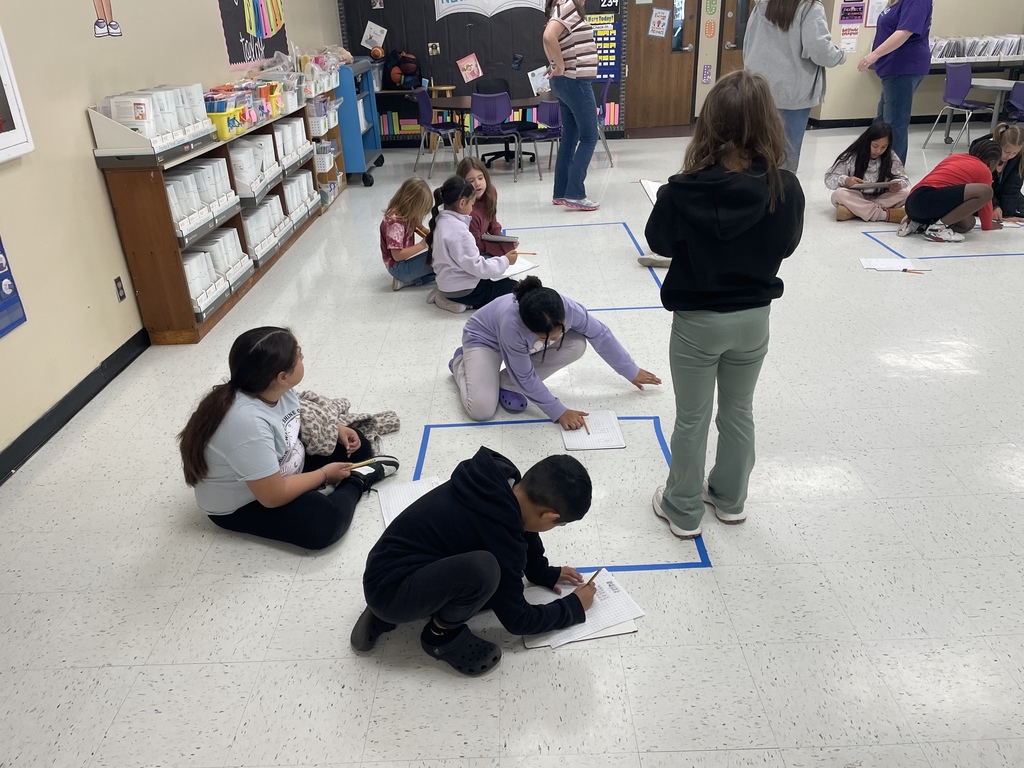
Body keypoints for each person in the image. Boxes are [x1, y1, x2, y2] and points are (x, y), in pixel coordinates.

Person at [644, 69, 805, 539]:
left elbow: (659, 241)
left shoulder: (683, 189)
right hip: (754, 319)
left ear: (710, 123)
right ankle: (731, 499)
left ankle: (683, 509)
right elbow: (789, 245)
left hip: (698, 322)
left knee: (692, 417)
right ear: (769, 123)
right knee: (739, 410)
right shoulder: (785, 186)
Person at [350, 448, 595, 675]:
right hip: (390, 593)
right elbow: (519, 620)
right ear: (548, 515)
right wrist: (573, 607)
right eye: (558, 524)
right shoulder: (502, 541)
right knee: (486, 573)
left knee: (492, 582)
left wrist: (542, 572)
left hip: (384, 565)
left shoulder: (500, 482)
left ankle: (392, 608)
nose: (554, 528)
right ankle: (440, 636)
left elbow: (522, 527)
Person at [177, 326, 400, 550]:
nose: (302, 356)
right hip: (248, 502)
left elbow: (292, 420)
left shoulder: (270, 389)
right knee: (323, 524)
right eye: (298, 353)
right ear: (282, 377)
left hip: (284, 467)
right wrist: (324, 475)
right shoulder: (245, 424)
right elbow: (272, 496)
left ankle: (344, 478)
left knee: (357, 445)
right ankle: (357, 481)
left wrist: (338, 428)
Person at [448, 276, 662, 424]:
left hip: (523, 344)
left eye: (560, 331)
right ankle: (461, 362)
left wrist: (630, 370)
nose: (556, 340)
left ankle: (506, 383)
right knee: (481, 410)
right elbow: (525, 375)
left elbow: (600, 334)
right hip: (484, 340)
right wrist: (558, 412)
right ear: (529, 328)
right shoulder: (512, 326)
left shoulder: (568, 308)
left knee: (576, 344)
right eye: (545, 338)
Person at [743, 0, 846, 172]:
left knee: (755, 149)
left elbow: (748, 44)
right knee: (786, 156)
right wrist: (840, 55)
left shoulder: (762, 5)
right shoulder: (809, 8)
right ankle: (782, 197)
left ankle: (755, 194)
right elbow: (820, 50)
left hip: (757, 90)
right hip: (793, 94)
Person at [426, 175, 518, 313]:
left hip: (447, 284)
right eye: (472, 203)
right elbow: (478, 267)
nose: (472, 208)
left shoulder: (440, 220)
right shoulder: (459, 232)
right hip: (464, 291)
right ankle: (457, 302)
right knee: (514, 287)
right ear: (462, 203)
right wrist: (505, 261)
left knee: (498, 281)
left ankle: (445, 296)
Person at [857, 0, 933, 166]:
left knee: (894, 123)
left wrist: (873, 55)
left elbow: (904, 32)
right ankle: (876, 163)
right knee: (882, 120)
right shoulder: (895, 3)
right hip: (892, 68)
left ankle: (893, 170)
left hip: (904, 66)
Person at [542, 0, 601, 211]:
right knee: (589, 136)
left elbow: (548, 38)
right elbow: (548, 36)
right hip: (575, 81)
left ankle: (561, 192)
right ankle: (575, 193)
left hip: (566, 81)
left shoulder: (560, 6)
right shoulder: (568, 5)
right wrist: (560, 65)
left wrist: (555, 65)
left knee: (571, 136)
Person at [899, 140, 1001, 243]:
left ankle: (919, 224)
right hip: (927, 198)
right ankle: (938, 229)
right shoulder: (984, 170)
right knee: (986, 191)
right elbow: (986, 202)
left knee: (968, 224)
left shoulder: (956, 157)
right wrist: (988, 225)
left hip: (912, 202)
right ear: (992, 162)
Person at [824, 121, 910, 222]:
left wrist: (898, 184)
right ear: (867, 141)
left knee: (905, 193)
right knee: (839, 194)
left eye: (883, 147)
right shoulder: (852, 155)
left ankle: (854, 211)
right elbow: (829, 179)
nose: (878, 151)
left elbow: (904, 179)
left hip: (880, 196)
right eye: (875, 146)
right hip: (856, 196)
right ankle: (884, 215)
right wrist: (846, 180)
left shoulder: (890, 156)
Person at [456, 156, 520, 257]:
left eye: (480, 178)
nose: (477, 184)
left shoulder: (491, 192)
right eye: (471, 181)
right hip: (470, 253)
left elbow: (492, 222)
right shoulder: (468, 210)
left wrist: (504, 242)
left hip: (482, 245)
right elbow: (476, 245)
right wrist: (502, 250)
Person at [380, 177, 435, 291]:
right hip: (399, 268)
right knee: (437, 260)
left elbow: (419, 228)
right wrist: (422, 245)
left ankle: (409, 280)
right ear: (411, 204)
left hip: (403, 265)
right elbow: (397, 255)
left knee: (439, 270)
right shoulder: (395, 224)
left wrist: (432, 235)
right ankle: (404, 279)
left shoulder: (406, 213)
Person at [970, 123, 1024, 222]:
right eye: (1006, 152)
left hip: (1005, 196)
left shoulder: (1020, 157)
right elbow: (980, 184)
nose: (1010, 156)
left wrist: (1007, 214)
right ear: (998, 144)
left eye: (1014, 153)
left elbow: (1012, 187)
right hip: (981, 193)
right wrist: (994, 206)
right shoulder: (983, 151)